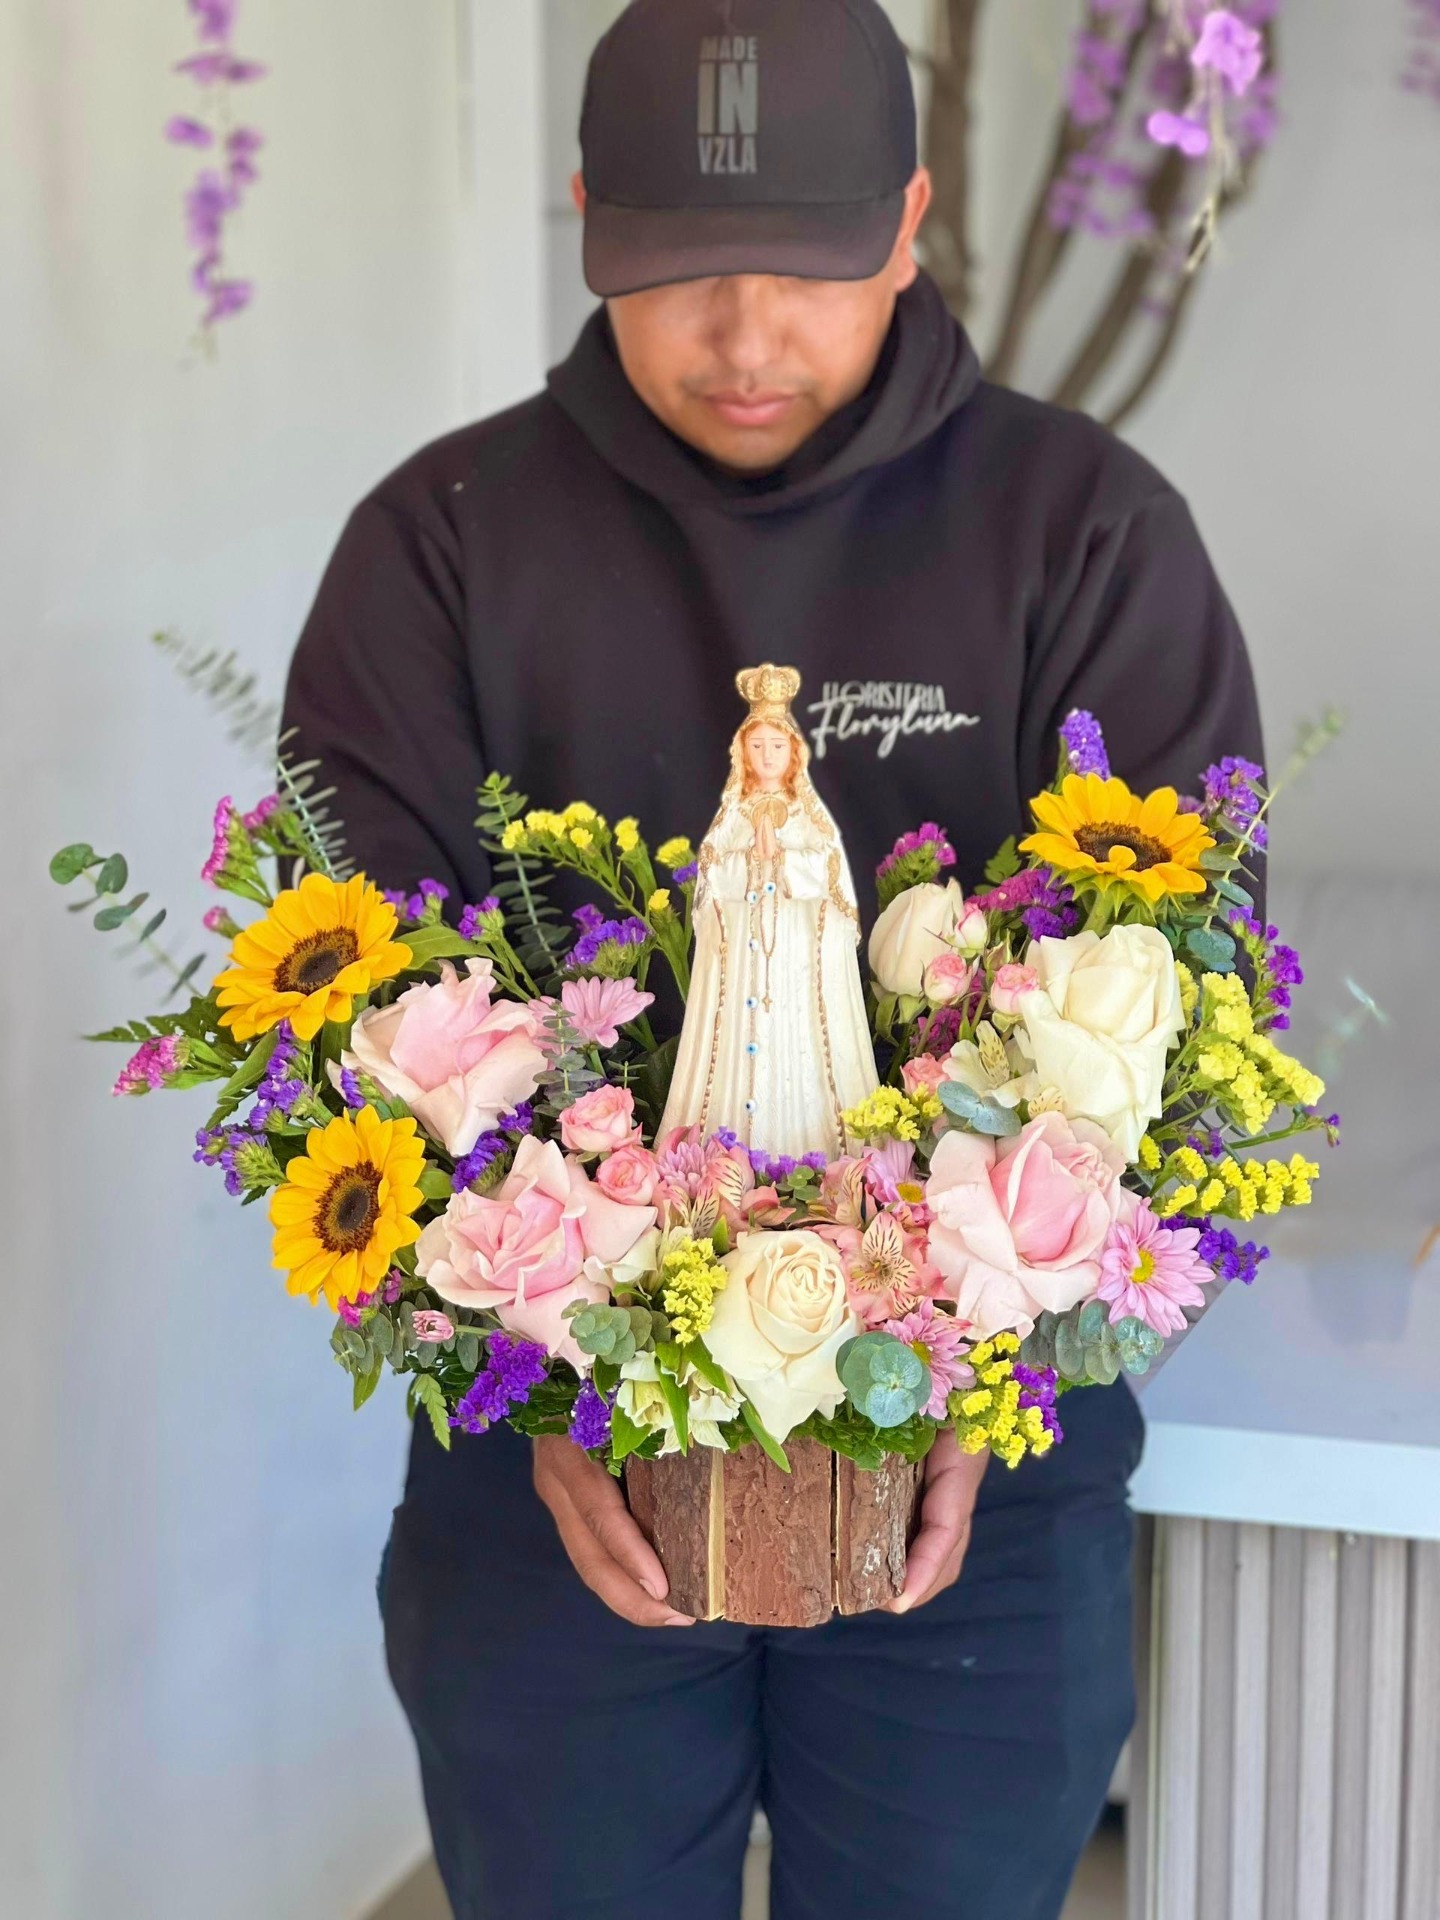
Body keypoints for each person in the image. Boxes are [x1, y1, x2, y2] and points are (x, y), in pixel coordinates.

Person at [282, 0, 1263, 1913]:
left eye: (808, 270)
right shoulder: (444, 546)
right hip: (551, 1477)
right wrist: (554, 1391)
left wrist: (981, 1383)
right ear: (587, 224)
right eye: (681, 270)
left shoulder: (1085, 536)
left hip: (981, 1492)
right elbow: (350, 1026)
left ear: (908, 225)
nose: (744, 339)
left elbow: (1184, 1005)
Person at [659, 664, 880, 1158]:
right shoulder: (733, 813)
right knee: (735, 1038)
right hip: (741, 957)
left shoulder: (807, 814)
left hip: (795, 958)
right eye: (757, 745)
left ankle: (804, 1152)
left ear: (793, 751)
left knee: (795, 1037)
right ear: (742, 751)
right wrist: (749, 863)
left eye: (776, 745)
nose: (766, 755)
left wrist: (782, 860)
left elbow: (830, 875)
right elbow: (711, 876)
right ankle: (725, 1153)